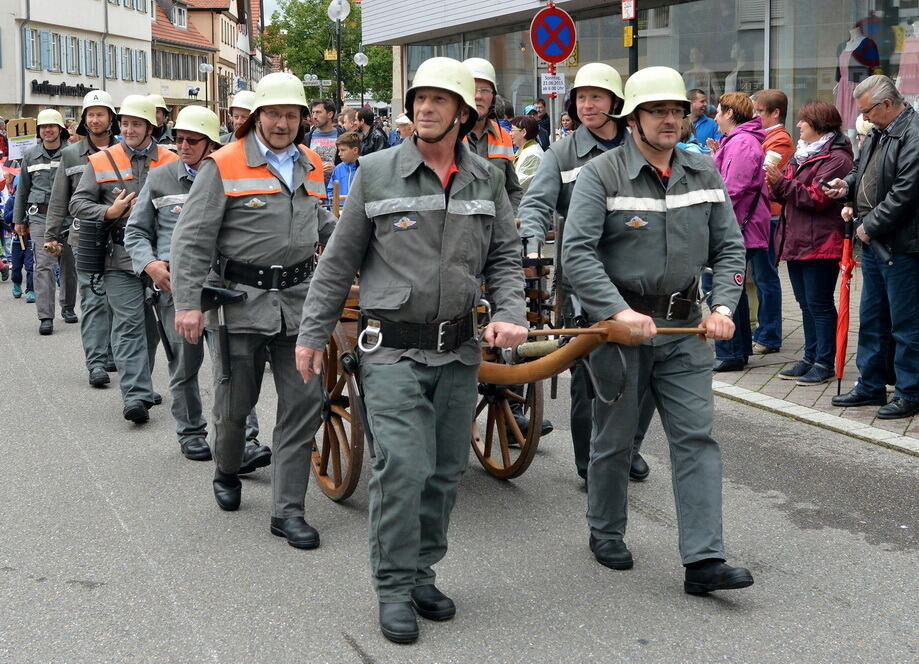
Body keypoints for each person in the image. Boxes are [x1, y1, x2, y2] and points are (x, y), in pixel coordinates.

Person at [296, 56, 528, 645]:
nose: (425, 108)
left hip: (459, 351)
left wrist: (510, 313)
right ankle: (394, 587)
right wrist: (312, 333)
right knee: (403, 466)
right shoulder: (377, 173)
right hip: (391, 350)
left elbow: (505, 257)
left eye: (438, 100)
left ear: (463, 114)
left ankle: (423, 571)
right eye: (419, 99)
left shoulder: (487, 179)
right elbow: (338, 263)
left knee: (446, 471)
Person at [563, 65, 753, 595]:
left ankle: (704, 560)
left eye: (676, 110)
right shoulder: (602, 175)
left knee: (695, 437)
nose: (670, 120)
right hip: (619, 329)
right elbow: (576, 253)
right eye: (657, 111)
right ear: (633, 118)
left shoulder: (703, 172)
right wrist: (616, 312)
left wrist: (723, 306)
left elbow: (730, 248)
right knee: (615, 436)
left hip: (686, 329)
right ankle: (605, 529)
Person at [171, 72, 336, 545]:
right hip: (240, 305)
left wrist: (357, 245)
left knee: (303, 405)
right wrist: (188, 303)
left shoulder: (310, 162)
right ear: (257, 117)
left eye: (291, 115)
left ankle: (288, 511)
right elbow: (192, 239)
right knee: (234, 407)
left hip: (300, 303)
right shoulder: (222, 163)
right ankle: (227, 467)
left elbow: (319, 219)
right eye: (274, 114)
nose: (282, 123)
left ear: (302, 119)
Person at [517, 62, 653, 483]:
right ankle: (589, 458)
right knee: (588, 372)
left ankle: (628, 447)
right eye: (581, 98)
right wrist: (531, 241)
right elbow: (536, 202)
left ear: (616, 102)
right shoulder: (562, 153)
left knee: (646, 369)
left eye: (596, 97)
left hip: (638, 272)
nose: (587, 105)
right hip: (583, 277)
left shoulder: (640, 145)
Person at [70, 94, 178, 423]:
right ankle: (135, 394)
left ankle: (142, 382)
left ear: (151, 127)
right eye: (126, 123)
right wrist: (109, 211)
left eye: (137, 124)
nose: (129, 130)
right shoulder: (102, 160)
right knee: (129, 325)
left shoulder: (172, 159)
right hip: (118, 259)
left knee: (151, 329)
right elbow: (77, 203)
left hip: (160, 259)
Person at [825, 75, 919, 419]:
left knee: (905, 324)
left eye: (867, 111)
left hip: (903, 245)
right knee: (872, 318)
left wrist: (869, 225)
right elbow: (861, 172)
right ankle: (870, 384)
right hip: (877, 243)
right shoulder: (879, 132)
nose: (863, 118)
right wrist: (845, 186)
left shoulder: (913, 134)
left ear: (887, 104)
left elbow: (906, 191)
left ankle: (910, 392)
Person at [765, 100, 854, 385]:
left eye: (804, 120)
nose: (799, 125)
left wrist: (781, 183)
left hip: (821, 242)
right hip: (797, 239)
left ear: (819, 123)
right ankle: (809, 357)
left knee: (819, 303)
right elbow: (786, 193)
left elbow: (817, 197)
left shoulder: (837, 158)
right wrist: (773, 183)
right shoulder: (801, 153)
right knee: (805, 303)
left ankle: (824, 362)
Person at [45, 89, 119, 387]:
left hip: (120, 236)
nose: (95, 119)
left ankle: (114, 352)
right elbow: (59, 200)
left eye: (101, 114)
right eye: (91, 115)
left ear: (111, 118)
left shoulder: (125, 150)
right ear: (84, 120)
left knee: (118, 297)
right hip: (84, 235)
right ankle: (96, 362)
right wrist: (52, 236)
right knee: (92, 299)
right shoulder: (71, 154)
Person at [709, 92, 772, 372]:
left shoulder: (742, 142)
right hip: (741, 224)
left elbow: (732, 189)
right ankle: (738, 348)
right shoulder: (738, 140)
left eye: (719, 112)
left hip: (737, 225)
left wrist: (711, 218)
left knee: (722, 285)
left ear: (730, 114)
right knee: (734, 288)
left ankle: (730, 351)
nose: (715, 118)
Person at [12, 109, 77, 335]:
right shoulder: (30, 155)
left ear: (60, 129)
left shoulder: (72, 153)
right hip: (39, 218)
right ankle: (46, 316)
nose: (48, 130)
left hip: (68, 219)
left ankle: (68, 307)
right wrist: (19, 219)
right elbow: (23, 190)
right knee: (44, 266)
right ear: (39, 130)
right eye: (43, 126)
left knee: (69, 266)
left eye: (52, 126)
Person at [749, 89, 794, 355]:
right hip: (762, 212)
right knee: (760, 275)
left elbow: (764, 175)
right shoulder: (765, 137)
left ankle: (769, 334)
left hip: (770, 213)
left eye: (759, 111)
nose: (756, 116)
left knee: (766, 276)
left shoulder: (780, 139)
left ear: (775, 113)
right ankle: (763, 330)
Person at [462, 58, 522, 211]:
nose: (478, 96)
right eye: (472, 89)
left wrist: (510, 218)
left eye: (485, 90)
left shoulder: (503, 136)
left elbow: (513, 190)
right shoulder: (446, 135)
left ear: (493, 98)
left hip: (497, 224)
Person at [3, 172, 34, 301]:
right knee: (16, 267)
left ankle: (31, 290)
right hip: (16, 239)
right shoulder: (11, 200)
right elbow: (6, 218)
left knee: (30, 266)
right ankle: (16, 285)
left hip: (31, 237)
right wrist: (17, 209)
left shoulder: (33, 202)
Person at [304, 98, 343, 178]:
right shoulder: (306, 138)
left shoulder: (343, 136)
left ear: (330, 114)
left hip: (336, 184)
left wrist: (336, 169)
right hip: (313, 184)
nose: (314, 116)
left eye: (318, 112)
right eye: (313, 112)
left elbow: (351, 165)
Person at [510, 115, 543, 192]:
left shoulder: (533, 155)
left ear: (524, 132)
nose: (510, 133)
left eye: (512, 130)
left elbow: (518, 184)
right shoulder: (524, 150)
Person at [326, 130, 360, 200]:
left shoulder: (364, 167)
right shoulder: (338, 169)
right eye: (339, 150)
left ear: (355, 150)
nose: (339, 154)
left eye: (343, 150)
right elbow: (330, 191)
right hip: (340, 207)